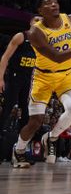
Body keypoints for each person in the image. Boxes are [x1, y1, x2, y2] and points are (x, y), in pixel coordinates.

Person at [11, 0, 71, 168]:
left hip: (66, 76)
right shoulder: (35, 33)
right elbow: (57, 57)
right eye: (48, 3)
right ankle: (19, 150)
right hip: (43, 77)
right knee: (35, 122)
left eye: (55, 2)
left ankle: (51, 137)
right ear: (40, 11)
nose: (53, 4)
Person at [0, 17, 39, 155]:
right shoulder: (21, 36)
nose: (38, 23)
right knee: (5, 111)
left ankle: (20, 150)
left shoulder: (41, 43)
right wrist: (1, 79)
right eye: (36, 21)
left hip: (28, 81)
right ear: (31, 22)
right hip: (14, 78)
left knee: (27, 116)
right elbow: (5, 58)